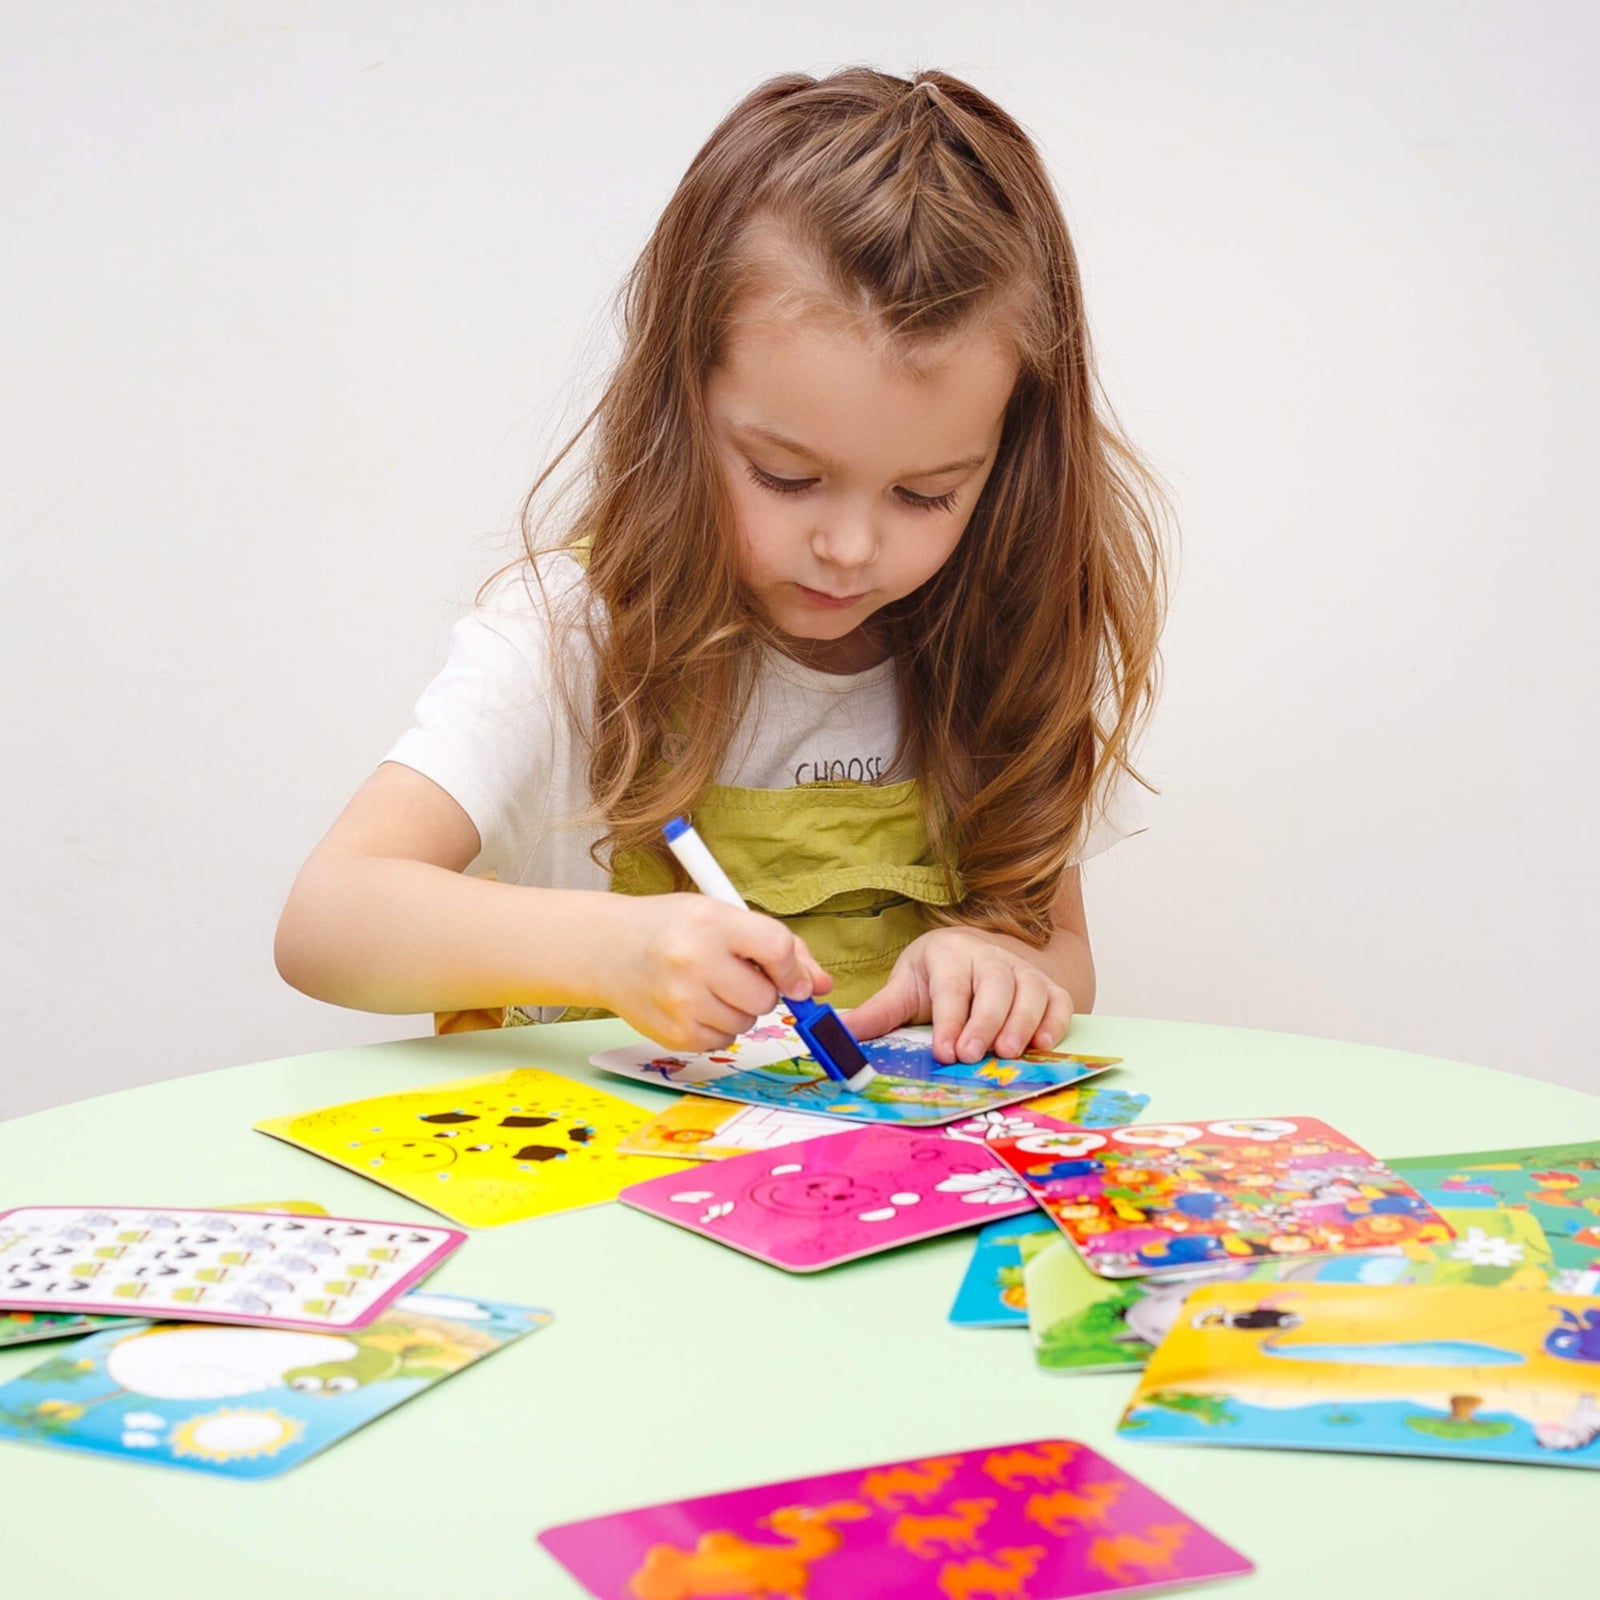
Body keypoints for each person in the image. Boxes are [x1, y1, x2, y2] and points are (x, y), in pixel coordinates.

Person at [275, 67, 1167, 1068]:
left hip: (891, 1211)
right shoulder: (570, 637)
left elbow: (1060, 947)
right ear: (680, 406)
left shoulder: (1003, 645)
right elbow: (326, 919)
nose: (849, 547)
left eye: (925, 495)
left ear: (1009, 463)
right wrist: (609, 951)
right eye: (786, 477)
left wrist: (999, 967)